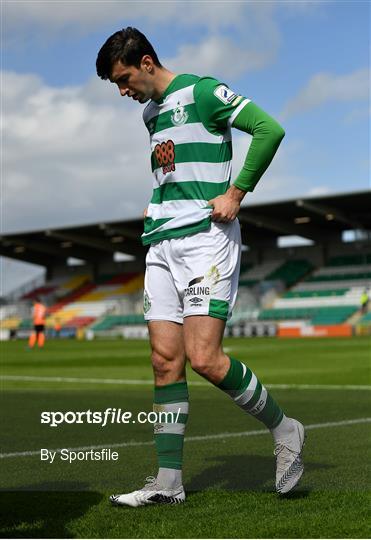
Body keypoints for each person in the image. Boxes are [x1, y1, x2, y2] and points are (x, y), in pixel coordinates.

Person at [96, 27, 305, 506]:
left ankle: (285, 428)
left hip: (205, 241)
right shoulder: (150, 113)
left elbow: (269, 129)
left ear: (147, 62)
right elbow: (170, 173)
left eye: (124, 79)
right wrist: (156, 203)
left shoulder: (204, 92)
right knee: (164, 361)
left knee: (205, 359)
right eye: (117, 85)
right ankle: (168, 483)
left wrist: (236, 194)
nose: (124, 91)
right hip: (161, 244)